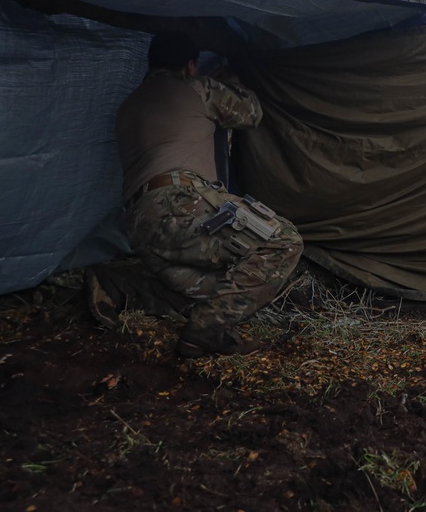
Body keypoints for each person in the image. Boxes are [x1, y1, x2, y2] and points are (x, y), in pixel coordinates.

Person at [108, 31, 303, 356]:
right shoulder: (195, 88)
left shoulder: (128, 106)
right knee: (283, 242)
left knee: (223, 286)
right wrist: (230, 79)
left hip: (140, 227)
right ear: (190, 66)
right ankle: (206, 330)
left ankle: (118, 286)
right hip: (181, 204)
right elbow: (251, 112)